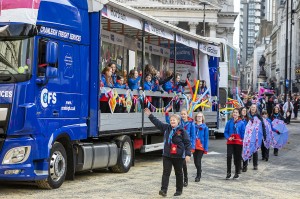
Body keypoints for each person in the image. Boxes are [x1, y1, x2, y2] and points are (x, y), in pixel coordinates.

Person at [144, 108, 191, 197]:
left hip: (178, 156)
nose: (172, 121)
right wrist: (150, 115)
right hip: (167, 155)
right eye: (171, 120)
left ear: (178, 121)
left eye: (174, 120)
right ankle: (163, 190)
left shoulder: (182, 131)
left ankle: (179, 190)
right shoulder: (166, 128)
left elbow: (187, 143)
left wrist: (188, 154)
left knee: (178, 173)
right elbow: (157, 123)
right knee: (166, 173)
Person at [165, 108, 195, 187]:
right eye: (181, 114)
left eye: (184, 114)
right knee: (182, 164)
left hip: (186, 145)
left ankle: (185, 179)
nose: (183, 115)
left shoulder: (191, 123)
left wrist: (191, 148)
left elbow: (192, 136)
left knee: (184, 164)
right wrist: (166, 113)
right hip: (179, 146)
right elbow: (169, 121)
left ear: (187, 115)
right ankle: (184, 179)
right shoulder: (178, 123)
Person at [242, 104, 266, 170]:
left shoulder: (258, 116)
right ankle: (245, 165)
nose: (253, 108)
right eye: (252, 107)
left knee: (255, 150)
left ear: (256, 109)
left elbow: (262, 125)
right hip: (247, 135)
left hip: (255, 135)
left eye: (254, 107)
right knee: (246, 149)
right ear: (250, 108)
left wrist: (264, 135)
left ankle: (255, 165)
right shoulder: (247, 115)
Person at [224, 108, 245, 180]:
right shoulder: (229, 122)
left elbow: (243, 133)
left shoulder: (241, 123)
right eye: (234, 112)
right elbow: (226, 132)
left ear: (239, 114)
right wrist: (228, 137)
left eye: (236, 112)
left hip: (238, 142)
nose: (235, 114)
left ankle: (236, 172)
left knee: (237, 157)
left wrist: (242, 139)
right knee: (229, 156)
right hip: (230, 142)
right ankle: (228, 172)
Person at [193, 112, 209, 182]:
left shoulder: (205, 127)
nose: (199, 118)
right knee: (195, 161)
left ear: (202, 118)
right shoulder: (193, 126)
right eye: (198, 116)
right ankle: (199, 169)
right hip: (194, 145)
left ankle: (198, 175)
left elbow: (206, 138)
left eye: (200, 116)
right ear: (196, 118)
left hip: (201, 146)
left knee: (198, 160)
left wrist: (205, 148)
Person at [240, 107, 249, 172]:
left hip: (246, 138)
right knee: (239, 152)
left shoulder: (248, 120)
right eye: (243, 110)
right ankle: (239, 165)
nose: (244, 112)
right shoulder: (239, 119)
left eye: (245, 111)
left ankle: (245, 166)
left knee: (245, 152)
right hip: (239, 138)